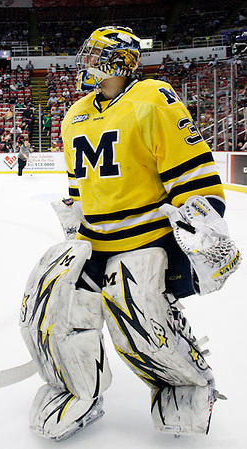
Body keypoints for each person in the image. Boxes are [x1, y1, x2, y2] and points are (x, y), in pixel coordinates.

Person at [19, 26, 241, 441]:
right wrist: (74, 237)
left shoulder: (153, 99)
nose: (86, 65)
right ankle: (76, 392)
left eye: (95, 56)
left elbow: (193, 174)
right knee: (54, 310)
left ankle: (186, 387)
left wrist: (201, 236)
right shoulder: (75, 116)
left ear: (120, 60)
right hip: (94, 241)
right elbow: (77, 190)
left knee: (138, 319)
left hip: (145, 241)